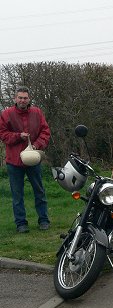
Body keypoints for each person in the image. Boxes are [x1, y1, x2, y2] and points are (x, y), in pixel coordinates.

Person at [0, 86, 51, 233]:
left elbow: (45, 131)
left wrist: (36, 145)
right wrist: (18, 136)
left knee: (39, 191)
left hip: (33, 159)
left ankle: (44, 220)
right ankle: (21, 223)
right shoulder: (6, 114)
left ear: (29, 99)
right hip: (14, 161)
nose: (23, 100)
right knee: (17, 195)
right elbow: (3, 134)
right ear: (15, 98)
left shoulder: (37, 112)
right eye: (20, 97)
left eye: (25, 98)